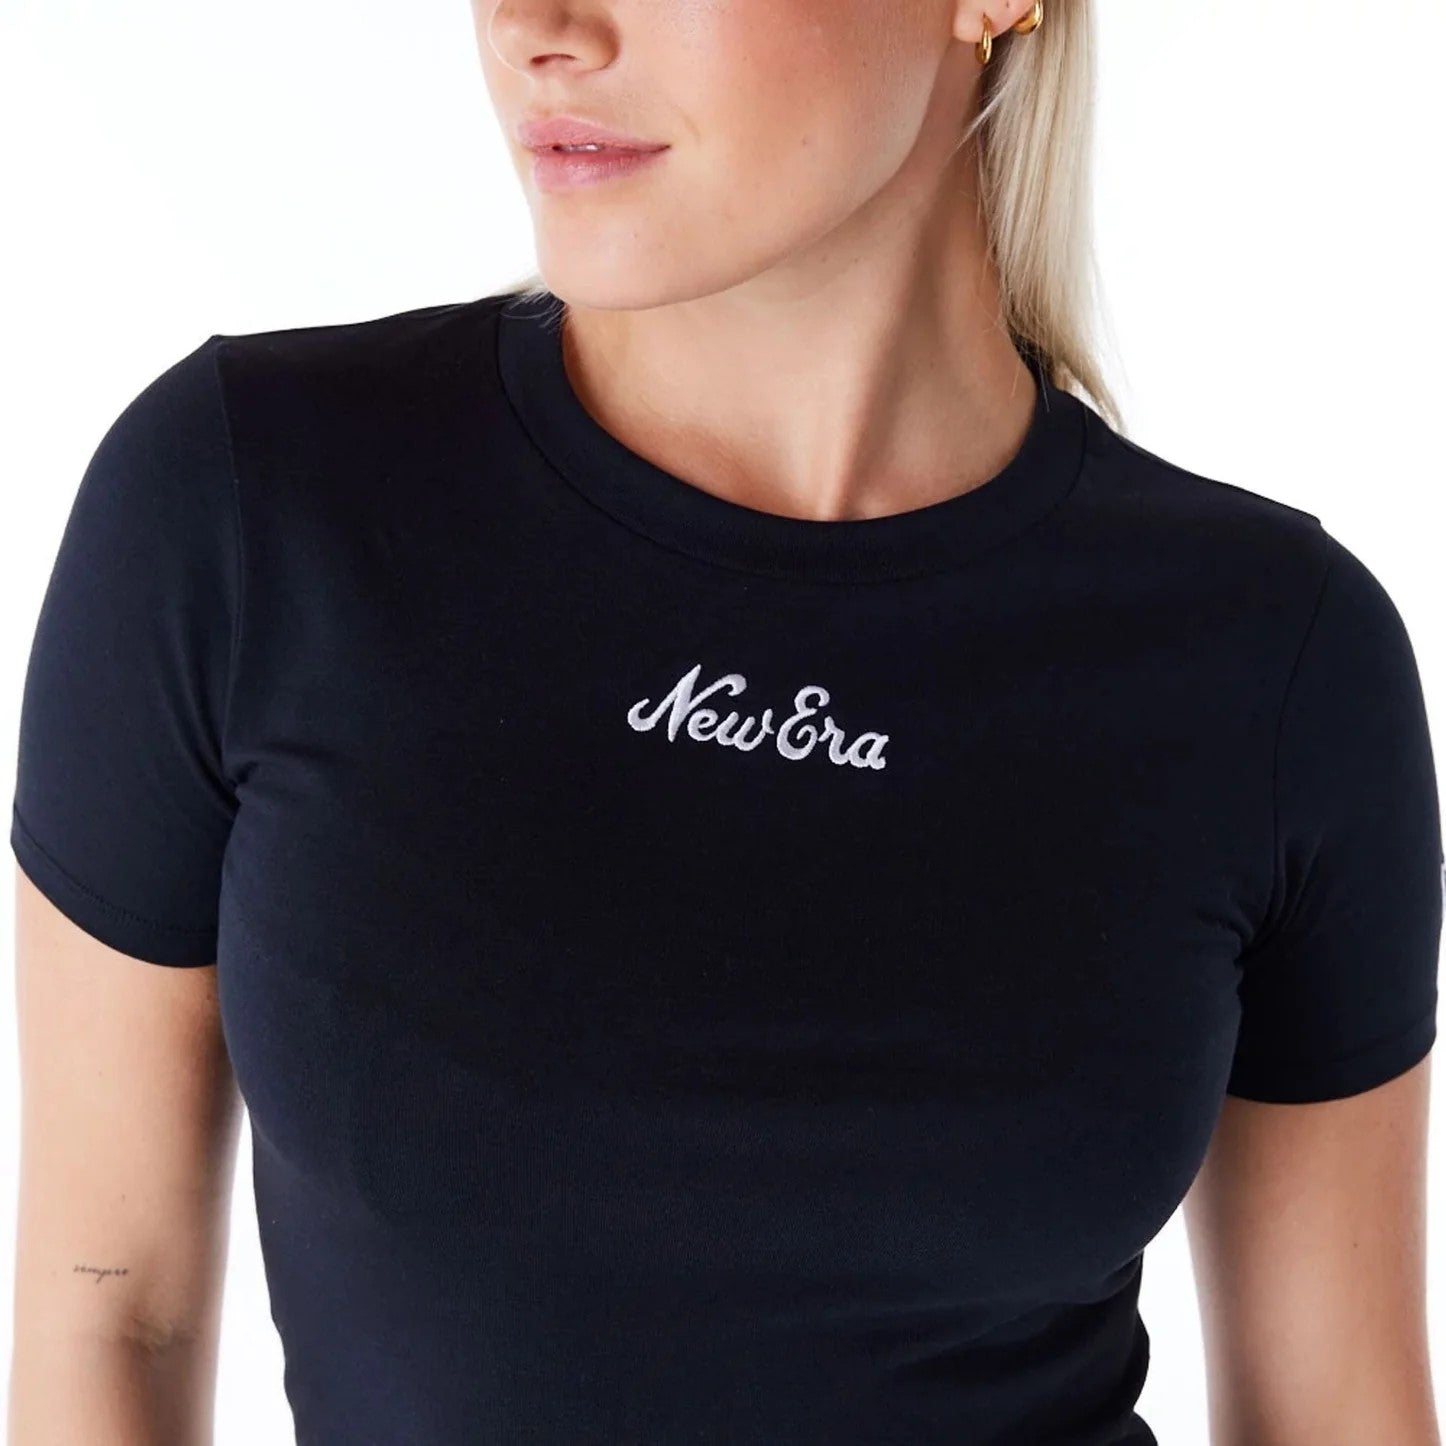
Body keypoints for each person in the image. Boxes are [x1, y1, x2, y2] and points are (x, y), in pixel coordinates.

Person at [8, 0, 1441, 1441]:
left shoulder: (1272, 652)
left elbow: (1334, 1409)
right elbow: (109, 1314)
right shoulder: (255, 506)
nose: (534, 28)